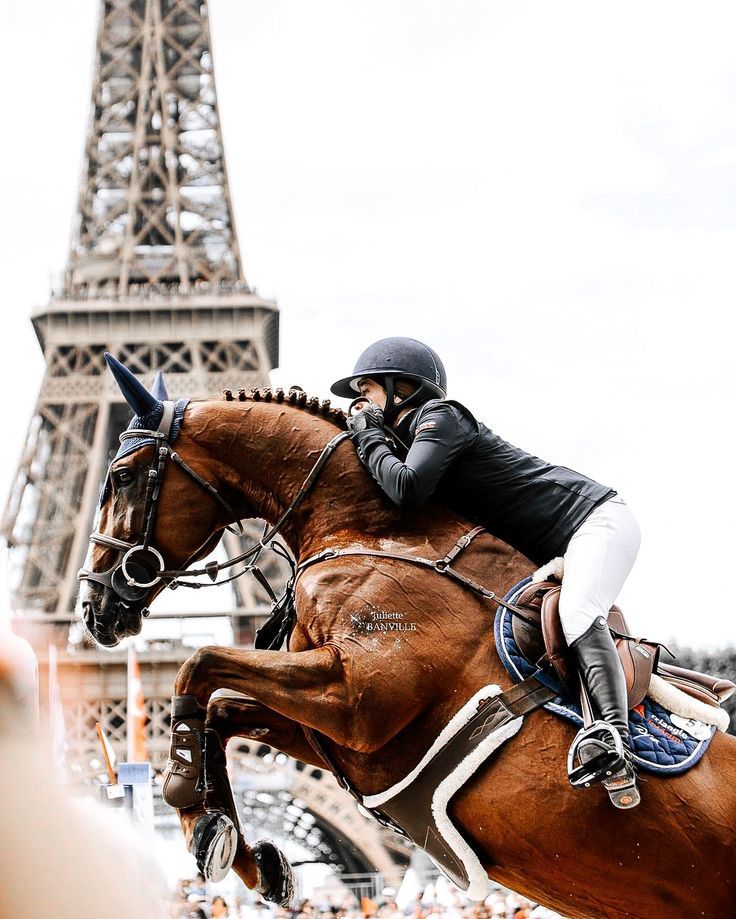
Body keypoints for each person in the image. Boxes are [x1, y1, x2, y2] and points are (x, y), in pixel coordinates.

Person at [330, 336, 641, 808]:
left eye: (367, 389)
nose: (359, 403)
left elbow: (407, 490)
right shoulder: (412, 437)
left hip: (594, 519)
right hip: (555, 547)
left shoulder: (443, 416)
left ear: (404, 388)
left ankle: (614, 739)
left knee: (579, 612)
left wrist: (368, 433)